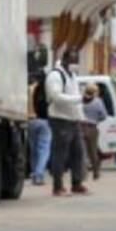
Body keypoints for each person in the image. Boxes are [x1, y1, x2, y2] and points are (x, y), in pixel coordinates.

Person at [46, 48, 89, 197]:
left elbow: (75, 96)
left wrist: (81, 115)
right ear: (64, 60)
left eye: (76, 60)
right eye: (72, 60)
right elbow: (55, 96)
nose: (74, 63)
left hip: (73, 119)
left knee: (78, 152)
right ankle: (57, 187)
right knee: (60, 154)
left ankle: (77, 183)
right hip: (60, 119)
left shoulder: (72, 75)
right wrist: (79, 99)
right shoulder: (55, 75)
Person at [27, 47, 52, 186]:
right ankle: (39, 174)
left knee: (33, 149)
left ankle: (34, 172)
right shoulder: (43, 86)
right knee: (43, 148)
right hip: (43, 120)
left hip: (29, 120)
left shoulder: (28, 87)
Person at [81, 84, 107, 180]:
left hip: (80, 127)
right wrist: (96, 119)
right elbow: (104, 115)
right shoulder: (98, 101)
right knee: (93, 151)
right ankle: (96, 172)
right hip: (92, 128)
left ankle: (83, 174)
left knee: (82, 152)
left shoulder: (80, 100)